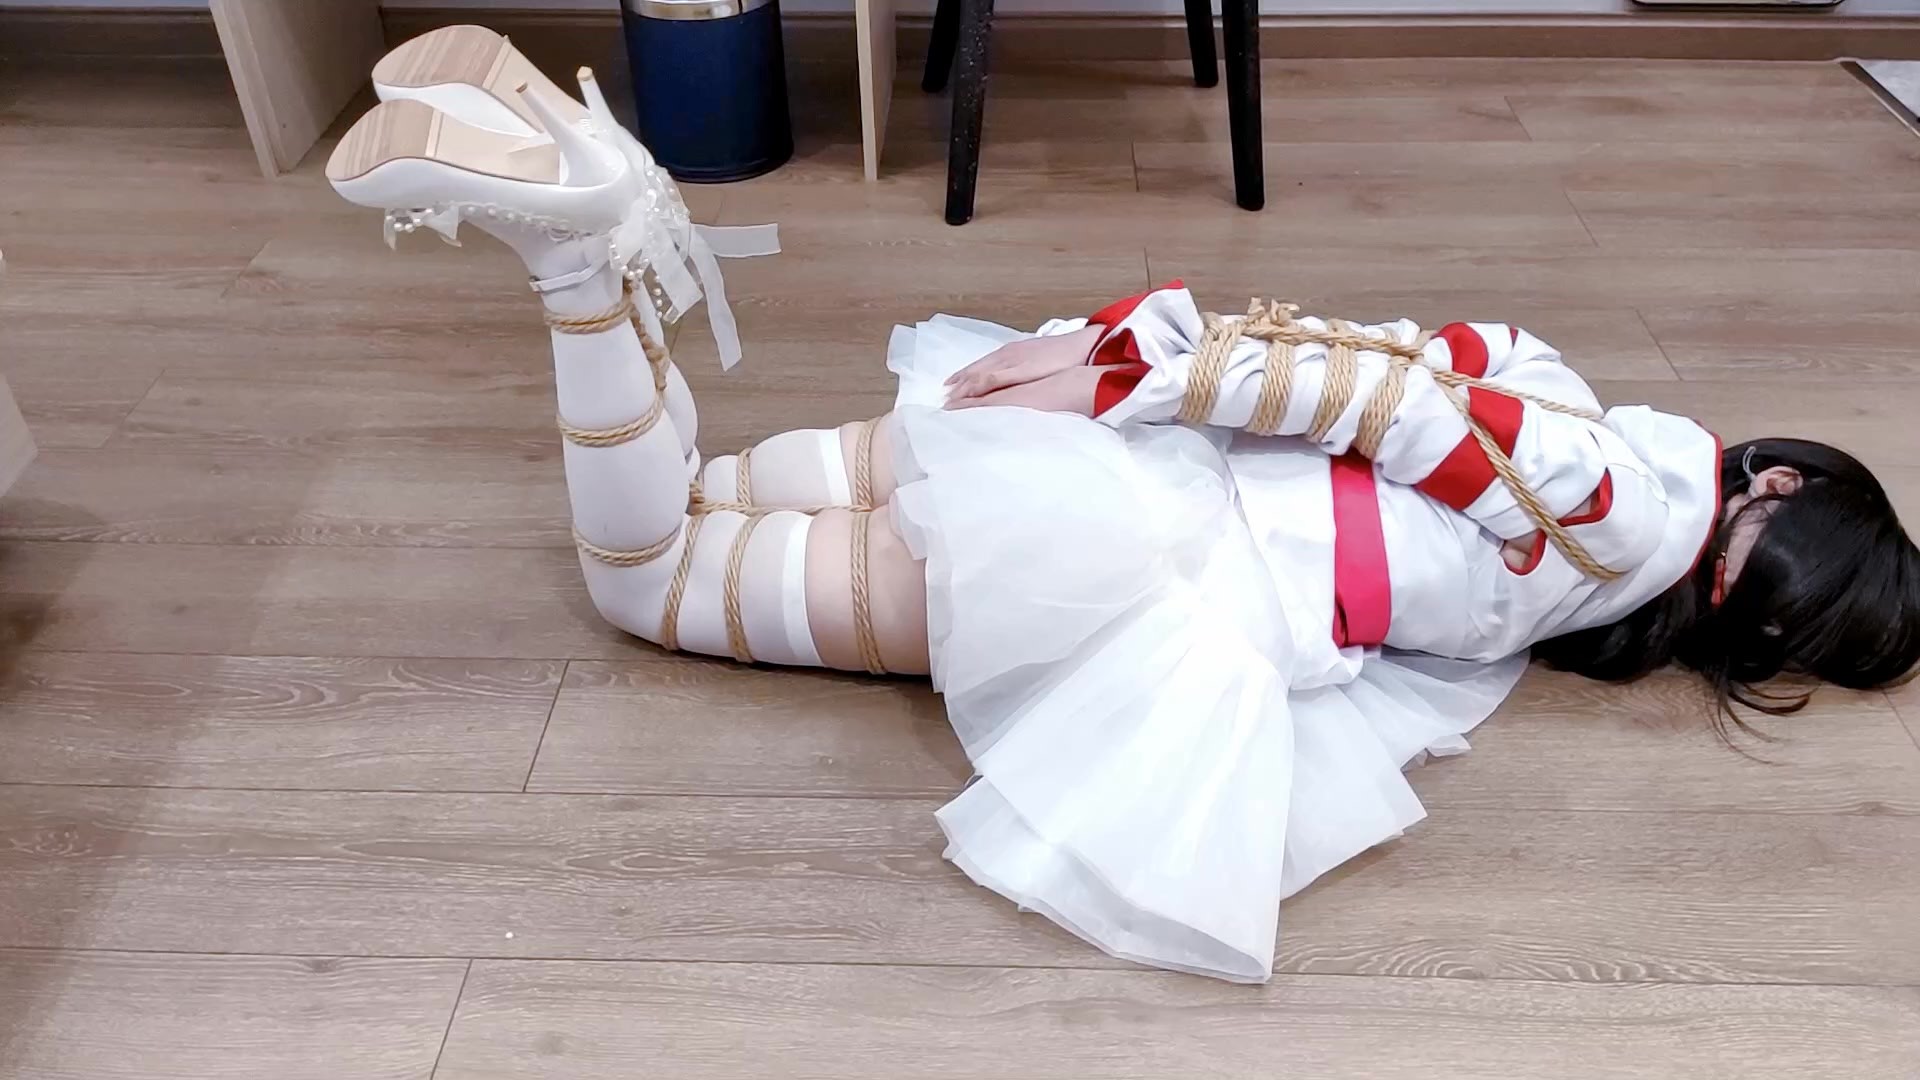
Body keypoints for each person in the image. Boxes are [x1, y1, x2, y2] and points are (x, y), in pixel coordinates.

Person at [328, 34, 1920, 982]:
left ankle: (610, 193)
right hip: (1126, 554)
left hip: (1121, 463)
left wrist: (1118, 353)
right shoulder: (1630, 517)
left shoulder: (1600, 414)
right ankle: (576, 250)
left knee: (696, 499)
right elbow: (1389, 404)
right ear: (1780, 510)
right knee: (657, 579)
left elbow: (1391, 356)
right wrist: (1126, 375)